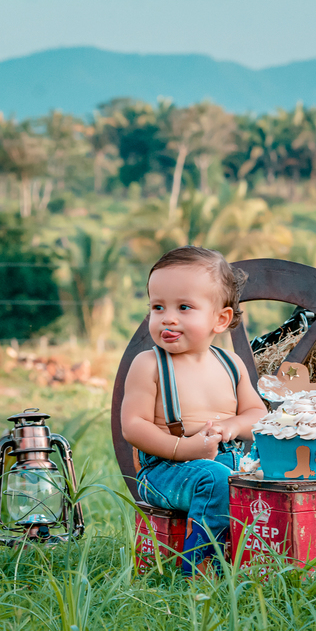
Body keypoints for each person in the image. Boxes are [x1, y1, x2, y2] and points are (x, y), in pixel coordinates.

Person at [120, 246, 267, 576]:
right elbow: (133, 425)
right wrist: (185, 449)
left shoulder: (231, 364)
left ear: (220, 319)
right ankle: (200, 570)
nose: (168, 318)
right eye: (158, 307)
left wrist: (231, 427)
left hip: (227, 462)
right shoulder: (149, 364)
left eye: (184, 307)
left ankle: (264, 560)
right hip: (165, 471)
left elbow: (257, 414)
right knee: (214, 479)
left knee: (269, 474)